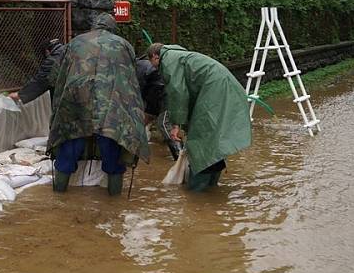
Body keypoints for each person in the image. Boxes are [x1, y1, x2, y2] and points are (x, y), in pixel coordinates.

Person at [47, 12, 149, 196]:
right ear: (112, 27)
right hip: (112, 105)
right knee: (112, 149)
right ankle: (114, 201)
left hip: (76, 103)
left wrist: (58, 109)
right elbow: (132, 80)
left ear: (93, 26)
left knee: (70, 144)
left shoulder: (75, 42)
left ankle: (58, 198)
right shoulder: (124, 45)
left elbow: (57, 77)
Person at [147, 43, 252, 191]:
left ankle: (196, 194)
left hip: (215, 92)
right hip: (225, 89)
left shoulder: (168, 61)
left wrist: (176, 125)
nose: (155, 69)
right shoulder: (181, 56)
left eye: (153, 64)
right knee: (212, 141)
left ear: (155, 57)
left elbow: (178, 93)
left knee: (200, 142)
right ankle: (211, 191)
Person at [136, 57, 182, 160]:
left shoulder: (140, 68)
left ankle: (179, 156)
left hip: (166, 96)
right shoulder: (142, 66)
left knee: (164, 124)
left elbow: (142, 91)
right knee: (148, 121)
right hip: (159, 97)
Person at [8, 38, 66, 104]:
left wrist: (20, 95)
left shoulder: (54, 59)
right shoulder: (68, 50)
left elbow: (42, 80)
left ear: (47, 51)